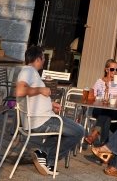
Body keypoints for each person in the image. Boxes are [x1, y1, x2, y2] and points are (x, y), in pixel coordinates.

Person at [15, 45, 86, 176]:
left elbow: (30, 97)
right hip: (42, 120)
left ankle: (43, 154)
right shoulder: (28, 71)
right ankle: (48, 158)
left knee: (62, 132)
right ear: (38, 59)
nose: (44, 60)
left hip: (43, 117)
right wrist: (41, 90)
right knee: (79, 131)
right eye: (43, 57)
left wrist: (50, 103)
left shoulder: (31, 72)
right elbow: (20, 91)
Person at [85, 59, 117, 147]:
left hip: (114, 111)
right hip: (99, 109)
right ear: (106, 70)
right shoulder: (99, 82)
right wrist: (104, 91)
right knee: (105, 114)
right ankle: (104, 146)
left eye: (116, 69)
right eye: (112, 69)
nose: (114, 72)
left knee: (106, 116)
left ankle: (94, 135)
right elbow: (91, 97)